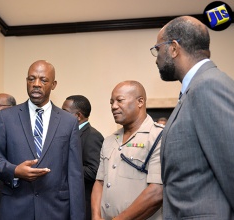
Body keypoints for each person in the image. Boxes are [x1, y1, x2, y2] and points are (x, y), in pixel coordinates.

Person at [151, 15, 234, 219]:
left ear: (174, 48)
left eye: (158, 49)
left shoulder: (208, 86)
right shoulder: (194, 89)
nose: (156, 58)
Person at [0, 60, 85, 220]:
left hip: (56, 210)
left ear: (53, 84)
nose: (36, 84)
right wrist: (15, 171)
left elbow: (74, 174)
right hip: (15, 209)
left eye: (43, 80)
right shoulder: (7, 117)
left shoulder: (68, 122)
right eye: (31, 79)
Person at [91, 81, 163, 220]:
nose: (113, 106)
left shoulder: (159, 137)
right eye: (111, 102)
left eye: (120, 101)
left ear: (140, 102)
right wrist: (96, 216)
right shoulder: (109, 140)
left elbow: (157, 192)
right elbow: (99, 182)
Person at [62, 95, 104, 220]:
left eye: (64, 112)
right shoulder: (71, 133)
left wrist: (65, 168)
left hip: (83, 203)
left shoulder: (92, 136)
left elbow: (94, 171)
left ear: (78, 116)